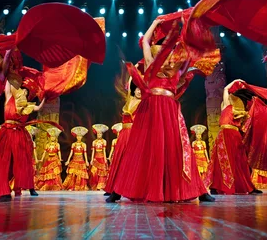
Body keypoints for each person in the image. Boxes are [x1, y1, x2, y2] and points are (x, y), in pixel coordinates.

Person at [108, 18, 214, 202]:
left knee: (178, 149)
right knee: (139, 147)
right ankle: (118, 190)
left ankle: (200, 191)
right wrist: (155, 22)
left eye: (166, 57)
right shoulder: (150, 64)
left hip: (169, 108)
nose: (163, 60)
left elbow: (187, 51)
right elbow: (146, 41)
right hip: (150, 106)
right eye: (160, 56)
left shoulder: (175, 69)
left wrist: (187, 26)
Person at [204, 80, 258, 195]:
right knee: (222, 160)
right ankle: (217, 186)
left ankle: (246, 186)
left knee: (240, 161)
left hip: (236, 135)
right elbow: (225, 89)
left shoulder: (240, 109)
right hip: (225, 134)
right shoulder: (226, 106)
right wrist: (235, 81)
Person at [0, 81, 45, 197]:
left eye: (26, 93)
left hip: (19, 134)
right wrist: (9, 71)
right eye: (23, 91)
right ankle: (2, 187)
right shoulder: (9, 98)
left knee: (23, 161)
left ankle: (30, 187)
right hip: (7, 132)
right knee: (3, 159)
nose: (24, 93)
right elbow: (7, 86)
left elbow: (39, 108)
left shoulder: (27, 106)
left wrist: (46, 97)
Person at [36, 127, 64, 191]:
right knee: (48, 172)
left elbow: (59, 151)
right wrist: (42, 159)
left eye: (53, 137)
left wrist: (60, 158)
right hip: (49, 159)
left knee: (55, 173)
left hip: (55, 159)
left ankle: (56, 185)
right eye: (51, 137)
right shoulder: (47, 145)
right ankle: (48, 185)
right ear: (49, 137)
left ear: (55, 138)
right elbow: (45, 152)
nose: (52, 138)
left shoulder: (57, 144)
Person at [63, 126, 90, 191]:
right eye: (78, 136)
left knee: (80, 174)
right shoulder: (73, 144)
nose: (79, 137)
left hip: (81, 160)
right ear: (76, 137)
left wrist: (86, 161)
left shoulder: (83, 144)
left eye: (80, 136)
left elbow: (85, 153)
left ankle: (80, 186)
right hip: (74, 160)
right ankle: (71, 186)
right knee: (72, 173)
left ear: (82, 137)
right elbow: (71, 153)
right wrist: (68, 160)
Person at [89, 124, 109, 191]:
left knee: (102, 172)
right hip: (96, 158)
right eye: (98, 134)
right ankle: (95, 185)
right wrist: (91, 159)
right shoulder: (94, 142)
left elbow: (104, 151)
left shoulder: (104, 141)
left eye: (100, 134)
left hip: (102, 158)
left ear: (102, 134)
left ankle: (100, 186)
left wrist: (105, 159)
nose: (99, 135)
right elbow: (93, 151)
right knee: (94, 172)